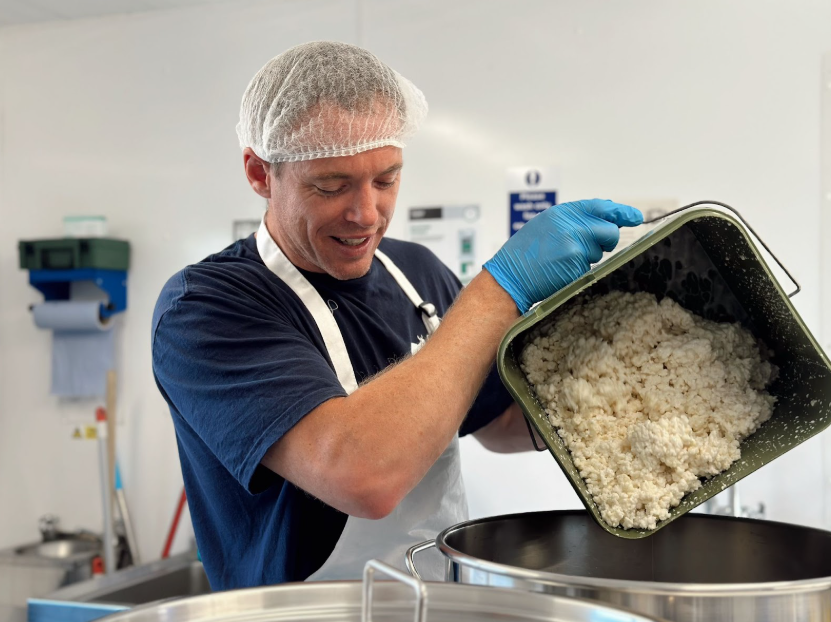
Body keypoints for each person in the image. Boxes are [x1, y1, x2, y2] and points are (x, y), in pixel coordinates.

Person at [151, 41, 642, 590]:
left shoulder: (418, 272)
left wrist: (619, 383)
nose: (366, 213)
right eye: (331, 186)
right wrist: (498, 292)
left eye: (386, 180)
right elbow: (365, 477)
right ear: (261, 174)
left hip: (436, 597)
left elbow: (499, 422)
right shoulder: (206, 307)